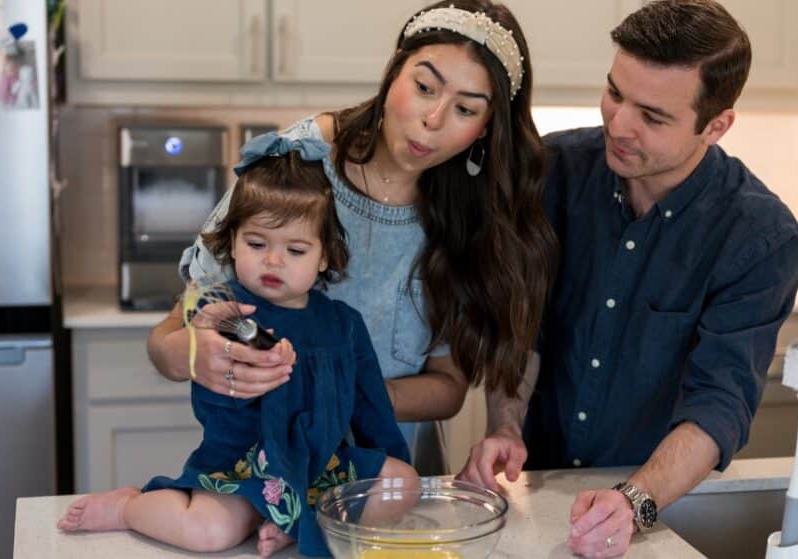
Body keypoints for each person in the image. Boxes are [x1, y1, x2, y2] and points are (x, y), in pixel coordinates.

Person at [146, 0, 555, 478]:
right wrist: (189, 355)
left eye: (465, 109)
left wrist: (343, 394)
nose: (434, 118)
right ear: (394, 71)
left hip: (393, 469)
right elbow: (166, 339)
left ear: (485, 129)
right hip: (263, 469)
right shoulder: (299, 163)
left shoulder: (471, 216)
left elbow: (448, 388)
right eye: (424, 87)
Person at [457, 1, 798, 556]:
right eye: (615, 93)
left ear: (716, 126)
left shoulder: (759, 235)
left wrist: (635, 499)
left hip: (662, 506)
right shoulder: (551, 173)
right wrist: (505, 427)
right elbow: (522, 331)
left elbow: (720, 402)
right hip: (537, 491)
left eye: (653, 116)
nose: (618, 125)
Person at [57, 145, 415, 558]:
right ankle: (128, 507)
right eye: (257, 243)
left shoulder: (343, 324)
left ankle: (295, 523)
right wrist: (251, 362)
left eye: (296, 250)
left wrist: (386, 460)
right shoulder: (227, 312)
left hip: (323, 469)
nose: (273, 260)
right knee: (209, 531)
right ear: (232, 242)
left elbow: (370, 407)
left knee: (402, 484)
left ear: (324, 256)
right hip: (246, 470)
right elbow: (213, 406)